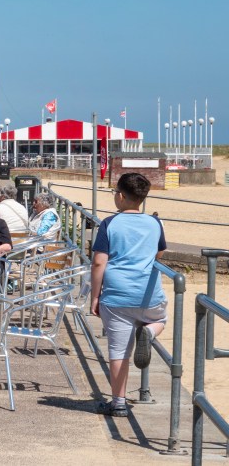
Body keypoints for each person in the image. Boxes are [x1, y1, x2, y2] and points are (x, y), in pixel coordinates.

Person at [91, 173, 167, 417]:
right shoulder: (156, 223)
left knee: (118, 350)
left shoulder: (109, 223)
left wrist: (95, 296)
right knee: (160, 320)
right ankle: (149, 332)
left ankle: (119, 402)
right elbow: (159, 254)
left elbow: (99, 263)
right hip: (148, 294)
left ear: (121, 196)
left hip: (117, 296)